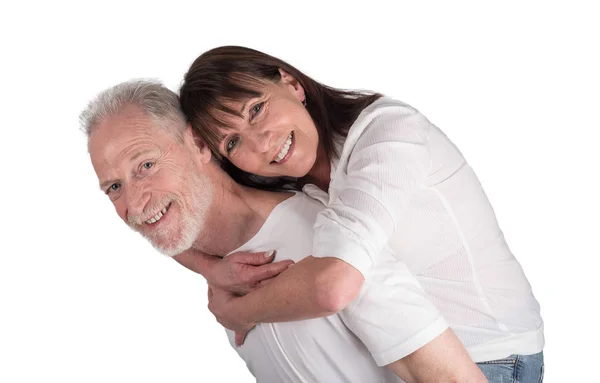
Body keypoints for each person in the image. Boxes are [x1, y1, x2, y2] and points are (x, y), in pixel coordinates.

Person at [178, 46, 545, 382]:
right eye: (233, 142)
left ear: (291, 83)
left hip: (491, 359)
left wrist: (240, 312)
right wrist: (209, 268)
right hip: (411, 367)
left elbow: (336, 284)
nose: (261, 142)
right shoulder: (293, 186)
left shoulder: (389, 133)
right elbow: (164, 218)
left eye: (256, 110)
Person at [81, 80, 486, 382]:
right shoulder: (224, 277)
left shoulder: (325, 239)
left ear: (200, 145)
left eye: (146, 166)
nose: (133, 205)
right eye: (114, 188)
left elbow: (452, 376)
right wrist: (208, 269)